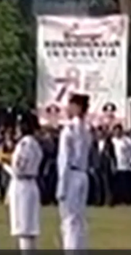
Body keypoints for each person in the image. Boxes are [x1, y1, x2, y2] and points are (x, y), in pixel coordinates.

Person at [56, 93, 92, 252]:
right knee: (79, 219)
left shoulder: (69, 129)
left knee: (69, 220)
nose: (67, 108)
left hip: (70, 175)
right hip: (83, 174)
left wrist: (61, 185)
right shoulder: (86, 129)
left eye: (70, 105)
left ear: (77, 107)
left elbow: (64, 159)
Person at [5, 111, 43, 251]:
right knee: (28, 229)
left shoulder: (24, 144)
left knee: (24, 229)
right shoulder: (35, 144)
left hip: (22, 186)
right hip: (30, 184)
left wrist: (5, 165)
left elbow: (18, 169)